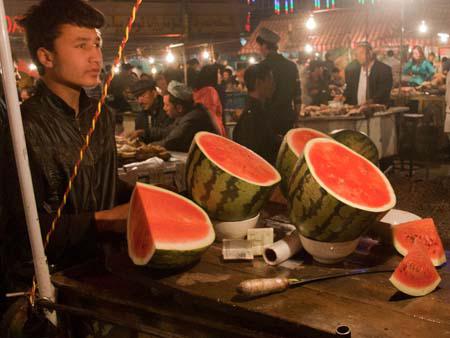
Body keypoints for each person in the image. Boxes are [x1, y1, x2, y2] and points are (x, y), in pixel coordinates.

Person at [0, 0, 130, 299]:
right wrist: (107, 220)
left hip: (108, 274)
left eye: (97, 44)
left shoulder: (101, 115)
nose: (96, 56)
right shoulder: (23, 128)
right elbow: (24, 229)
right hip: (54, 287)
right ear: (46, 56)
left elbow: (101, 183)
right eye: (81, 45)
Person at [233, 63, 281, 164]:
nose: (274, 84)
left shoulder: (258, 110)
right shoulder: (252, 117)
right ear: (258, 83)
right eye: (270, 79)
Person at [256, 27, 301, 135]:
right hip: (287, 118)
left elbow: (259, 96)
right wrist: (296, 118)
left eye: (260, 46)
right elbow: (298, 96)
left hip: (268, 119)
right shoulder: (292, 66)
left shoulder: (261, 67)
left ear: (265, 46)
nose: (259, 50)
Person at [152, 81, 219, 152]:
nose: (164, 108)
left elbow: (171, 142)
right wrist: (145, 133)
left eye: (167, 105)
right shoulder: (184, 116)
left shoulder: (193, 118)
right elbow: (167, 131)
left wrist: (148, 147)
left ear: (179, 108)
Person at [343, 42, 393, 106]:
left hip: (376, 110)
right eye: (357, 54)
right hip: (356, 110)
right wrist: (343, 96)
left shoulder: (383, 70)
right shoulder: (354, 71)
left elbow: (384, 91)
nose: (359, 56)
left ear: (370, 53)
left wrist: (371, 102)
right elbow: (349, 88)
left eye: (361, 53)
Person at [129, 79, 173, 143]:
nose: (139, 101)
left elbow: (169, 134)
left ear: (154, 93)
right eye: (137, 97)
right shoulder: (141, 115)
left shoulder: (167, 109)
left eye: (142, 95)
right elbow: (140, 139)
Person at [193, 64, 226, 136]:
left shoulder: (199, 91)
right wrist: (221, 136)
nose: (220, 76)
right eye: (218, 73)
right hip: (213, 133)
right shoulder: (210, 91)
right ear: (211, 75)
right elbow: (212, 115)